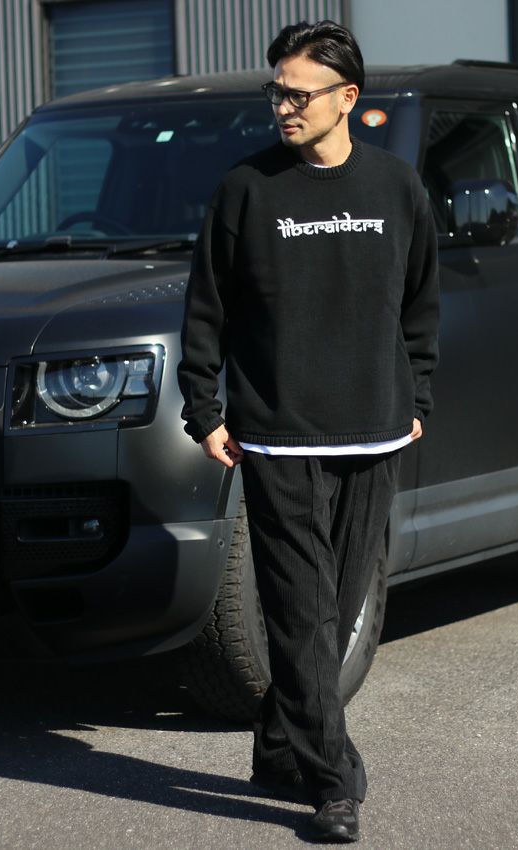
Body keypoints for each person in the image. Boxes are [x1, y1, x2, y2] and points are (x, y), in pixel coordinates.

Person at [177, 19, 439, 843]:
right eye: (277, 93)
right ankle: (334, 781)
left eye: (298, 94)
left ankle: (276, 745)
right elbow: (207, 310)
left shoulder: (396, 188)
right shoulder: (247, 190)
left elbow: (421, 304)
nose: (283, 106)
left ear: (346, 97)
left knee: (339, 607)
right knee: (301, 615)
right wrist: (204, 409)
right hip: (279, 437)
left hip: (374, 434)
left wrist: (419, 396)